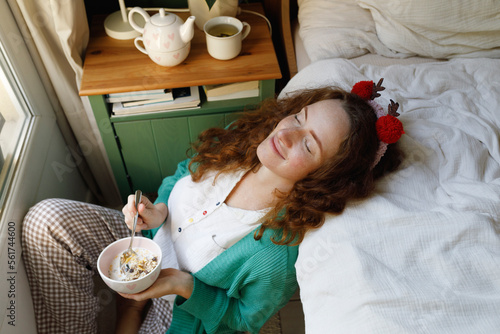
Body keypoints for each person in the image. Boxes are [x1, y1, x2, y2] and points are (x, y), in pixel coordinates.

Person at [21, 79, 404, 334]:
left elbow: (243, 321)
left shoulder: (275, 252)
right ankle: (119, 312)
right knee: (47, 221)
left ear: (327, 176)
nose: (285, 134)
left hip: (179, 307)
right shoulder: (245, 144)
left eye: (308, 144)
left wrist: (185, 287)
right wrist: (157, 211)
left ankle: (134, 311)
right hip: (148, 243)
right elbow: (182, 174)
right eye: (298, 116)